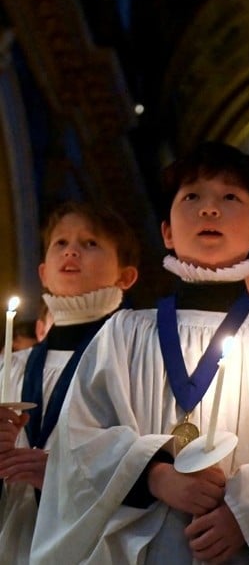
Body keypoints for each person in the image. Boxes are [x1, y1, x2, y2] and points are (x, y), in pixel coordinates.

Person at [32, 142, 249, 564]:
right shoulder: (126, 333)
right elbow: (79, 436)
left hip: (240, 546)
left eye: (230, 197)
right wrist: (154, 474)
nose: (209, 210)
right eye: (191, 197)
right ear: (166, 231)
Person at [0, 201, 139, 564]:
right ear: (44, 272)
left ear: (125, 277)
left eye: (91, 243)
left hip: (97, 542)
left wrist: (66, 478)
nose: (72, 250)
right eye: (60, 243)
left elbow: (144, 455)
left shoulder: (133, 356)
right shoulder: (12, 367)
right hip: (18, 539)